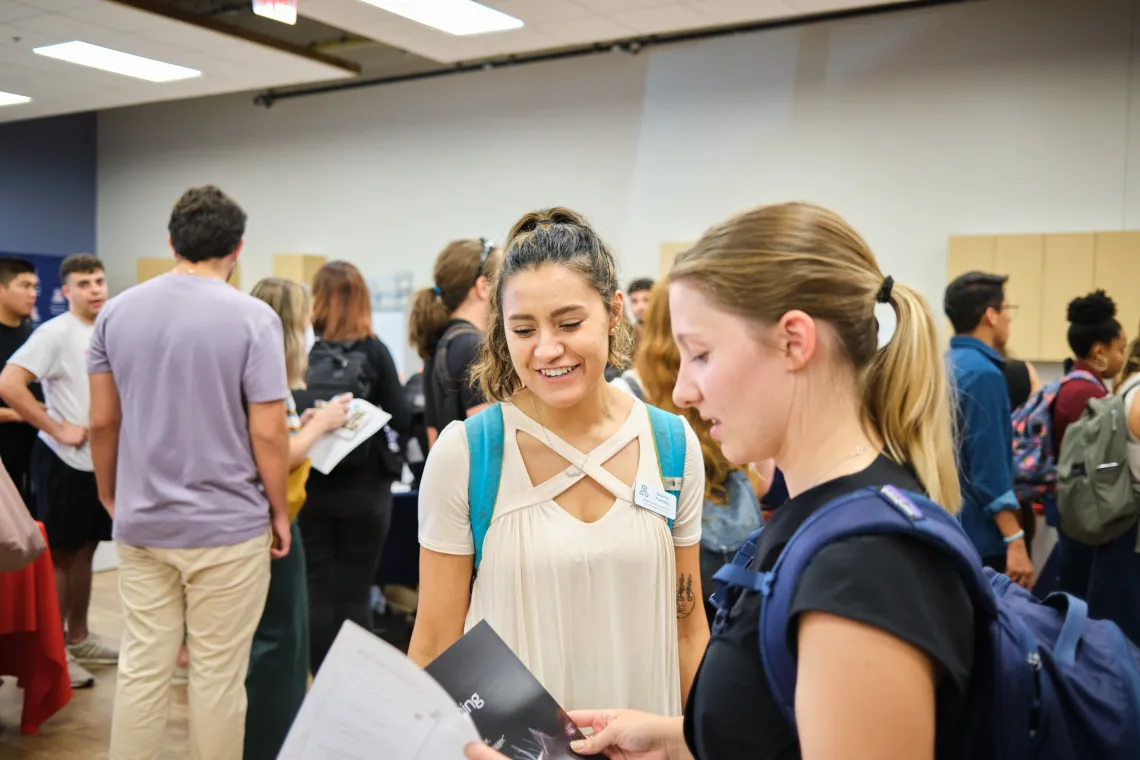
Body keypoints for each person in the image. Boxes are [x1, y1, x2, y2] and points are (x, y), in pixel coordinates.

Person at [467, 200, 970, 760]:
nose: (682, 391)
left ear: (794, 342)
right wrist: (676, 740)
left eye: (701, 354)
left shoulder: (865, 564)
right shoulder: (822, 526)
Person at [410, 208, 709, 716]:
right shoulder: (468, 455)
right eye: (523, 330)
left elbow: (687, 628)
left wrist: (701, 743)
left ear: (614, 313)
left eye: (569, 323)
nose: (548, 349)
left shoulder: (670, 445)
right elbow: (437, 640)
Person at [88, 185, 291, 760]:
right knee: (218, 678)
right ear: (238, 249)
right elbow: (269, 432)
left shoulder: (117, 312)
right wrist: (278, 510)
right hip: (229, 528)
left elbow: (103, 423)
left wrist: (110, 492)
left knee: (141, 670)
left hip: (143, 523)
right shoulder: (255, 318)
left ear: (172, 243)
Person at [244, 276, 350, 760]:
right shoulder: (267, 379)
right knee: (280, 645)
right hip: (272, 525)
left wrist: (306, 426)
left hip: (273, 521)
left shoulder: (268, 382)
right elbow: (280, 456)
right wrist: (321, 426)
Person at [0, 254, 114, 690]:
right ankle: (56, 653)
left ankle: (79, 637)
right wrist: (55, 427)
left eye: (100, 281)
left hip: (97, 462)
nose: (95, 289)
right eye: (84, 283)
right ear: (66, 292)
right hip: (62, 462)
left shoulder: (107, 328)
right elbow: (10, 384)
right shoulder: (53, 332)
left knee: (86, 550)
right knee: (61, 557)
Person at [297, 260, 412, 672]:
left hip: (312, 486)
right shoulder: (374, 349)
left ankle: (315, 678)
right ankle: (350, 684)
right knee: (355, 590)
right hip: (366, 492)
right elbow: (400, 416)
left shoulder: (303, 351)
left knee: (316, 589)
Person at [631, 280, 765, 623]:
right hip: (730, 581)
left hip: (671, 589)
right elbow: (761, 480)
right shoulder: (724, 386)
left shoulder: (629, 398)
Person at [944, 272, 1032, 586]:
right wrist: (1016, 540)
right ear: (990, 315)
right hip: (980, 538)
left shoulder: (943, 364)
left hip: (945, 527)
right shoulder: (985, 375)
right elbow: (989, 472)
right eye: (1007, 309)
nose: (1009, 318)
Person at [1051, 291, 1126, 599]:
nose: (1122, 358)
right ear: (1099, 351)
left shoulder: (1070, 385)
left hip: (1070, 506)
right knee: (1080, 598)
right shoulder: (1088, 397)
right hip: (1084, 514)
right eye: (1120, 349)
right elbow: (1101, 464)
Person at [408, 238, 496, 448]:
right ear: (483, 287)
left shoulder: (439, 342)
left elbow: (433, 439)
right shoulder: (474, 347)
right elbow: (488, 441)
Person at [0, 257, 40, 510]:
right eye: (24, 286)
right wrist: (19, 413)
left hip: (31, 454)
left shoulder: (33, 335)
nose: (32, 294)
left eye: (34, 287)